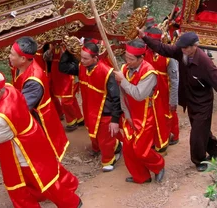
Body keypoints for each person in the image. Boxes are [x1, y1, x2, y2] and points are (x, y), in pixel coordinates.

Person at [0, 72, 82, 208]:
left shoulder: (2, 117)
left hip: (22, 150)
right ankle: (69, 194)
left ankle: (71, 203)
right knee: (46, 172)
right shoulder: (9, 88)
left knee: (38, 181)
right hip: (33, 138)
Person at [140, 30, 217, 172]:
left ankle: (199, 160)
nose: (183, 50)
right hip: (190, 99)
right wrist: (144, 37)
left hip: (204, 102)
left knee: (196, 133)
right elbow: (162, 48)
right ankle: (214, 147)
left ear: (195, 46)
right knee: (200, 129)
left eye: (186, 48)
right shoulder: (181, 52)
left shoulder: (205, 63)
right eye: (181, 48)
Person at [58, 40, 123, 172]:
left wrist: (115, 120)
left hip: (105, 111)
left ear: (95, 58)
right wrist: (67, 50)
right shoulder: (82, 67)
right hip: (89, 109)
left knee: (105, 138)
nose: (82, 60)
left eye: (85, 58)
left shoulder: (107, 72)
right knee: (94, 135)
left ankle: (109, 160)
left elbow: (116, 98)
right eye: (81, 57)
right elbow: (63, 67)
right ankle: (116, 145)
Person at [113, 39, 165, 184]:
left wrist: (122, 80)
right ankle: (141, 176)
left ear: (141, 58)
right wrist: (126, 114)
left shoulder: (149, 73)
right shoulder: (124, 69)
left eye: (131, 59)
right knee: (128, 150)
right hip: (129, 115)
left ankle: (159, 166)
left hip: (144, 117)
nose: (127, 61)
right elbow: (122, 94)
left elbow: (138, 95)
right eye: (126, 57)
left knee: (141, 150)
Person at [10, 37, 69, 161]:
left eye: (12, 54)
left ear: (23, 59)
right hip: (32, 117)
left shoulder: (34, 80)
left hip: (41, 121)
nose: (9, 57)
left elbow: (22, 108)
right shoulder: (19, 67)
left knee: (46, 158)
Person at [144, 27, 180, 150]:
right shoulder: (145, 53)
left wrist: (173, 100)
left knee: (169, 114)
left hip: (166, 92)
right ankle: (156, 138)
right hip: (151, 92)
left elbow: (175, 80)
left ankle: (173, 135)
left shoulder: (169, 57)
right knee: (153, 116)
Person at [46, 42, 84, 132]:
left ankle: (72, 121)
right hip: (58, 76)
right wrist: (51, 49)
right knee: (71, 99)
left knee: (66, 100)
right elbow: (46, 58)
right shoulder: (52, 45)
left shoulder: (70, 43)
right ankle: (79, 119)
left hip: (69, 75)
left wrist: (66, 48)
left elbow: (76, 58)